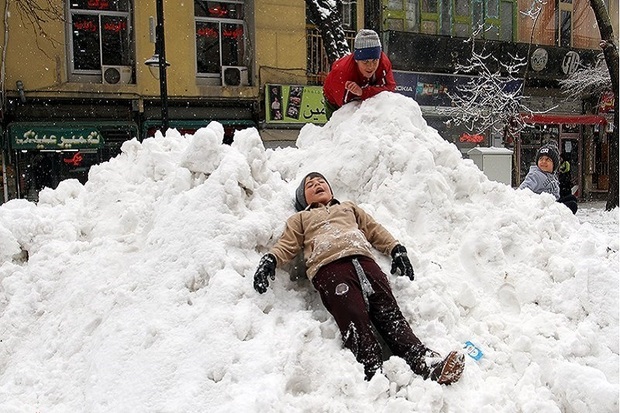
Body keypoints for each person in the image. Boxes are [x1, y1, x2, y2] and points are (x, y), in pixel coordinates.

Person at [253, 172, 465, 384]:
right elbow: (287, 244)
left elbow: (374, 230)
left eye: (321, 182)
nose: (317, 184)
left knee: (390, 313)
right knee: (352, 315)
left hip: (365, 263)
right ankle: (371, 369)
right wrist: (271, 259)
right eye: (310, 185)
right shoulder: (300, 218)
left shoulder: (348, 208)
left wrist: (396, 249)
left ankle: (423, 361)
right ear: (303, 199)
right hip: (330, 268)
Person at [322, 29, 396, 120]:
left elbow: (390, 88)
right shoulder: (343, 73)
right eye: (365, 62)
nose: (371, 66)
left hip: (363, 87)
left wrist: (363, 92)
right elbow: (345, 108)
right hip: (334, 101)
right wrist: (361, 93)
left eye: (374, 61)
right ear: (357, 60)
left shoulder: (383, 63)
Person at [519, 143, 578, 214]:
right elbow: (522, 191)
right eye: (541, 159)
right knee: (572, 205)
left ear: (554, 165)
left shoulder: (552, 176)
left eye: (547, 160)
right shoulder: (535, 175)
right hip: (542, 208)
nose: (543, 162)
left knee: (572, 198)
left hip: (552, 204)